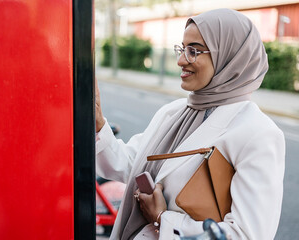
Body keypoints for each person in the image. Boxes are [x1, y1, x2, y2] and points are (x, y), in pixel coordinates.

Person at [95, 8, 285, 240]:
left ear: (230, 57)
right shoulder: (174, 112)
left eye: (194, 51)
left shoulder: (258, 133)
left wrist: (163, 219)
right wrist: (97, 123)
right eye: (182, 48)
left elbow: (247, 234)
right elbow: (131, 165)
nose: (181, 60)